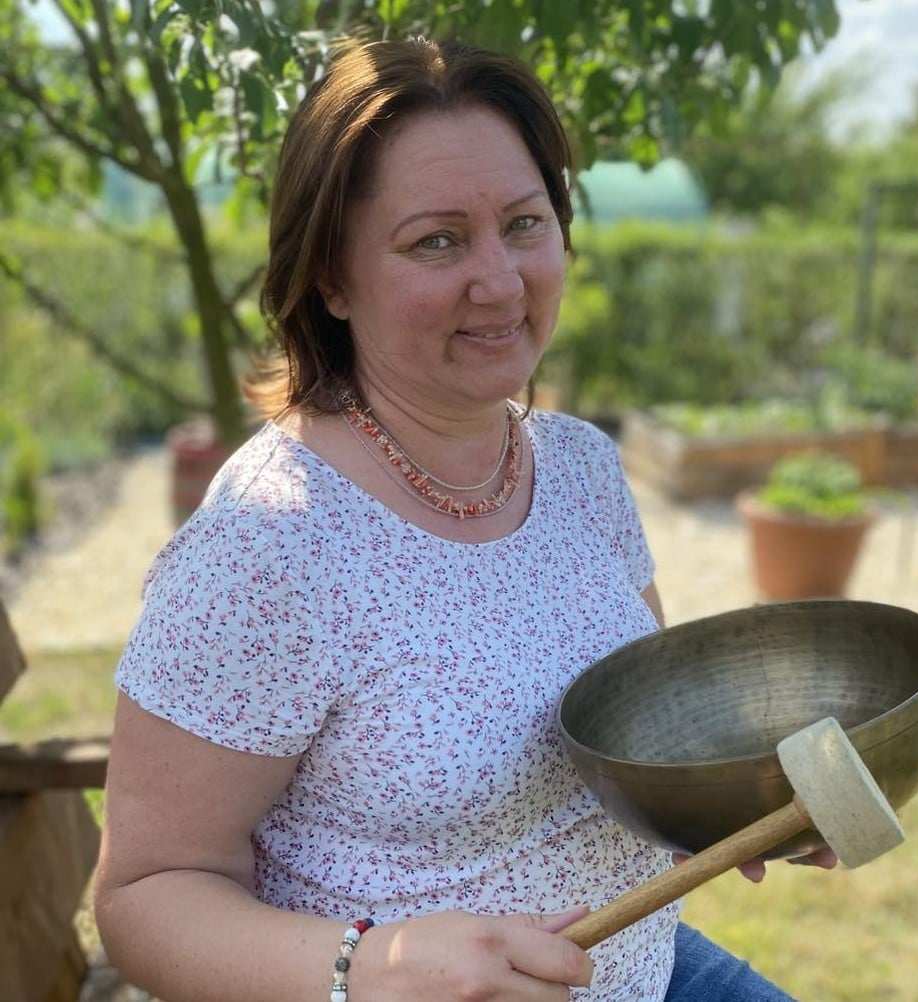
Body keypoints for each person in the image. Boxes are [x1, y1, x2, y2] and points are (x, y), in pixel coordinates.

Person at [94, 36, 835, 1002]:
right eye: (436, 241)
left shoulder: (581, 468)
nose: (500, 281)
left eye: (524, 224)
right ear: (331, 278)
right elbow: (144, 895)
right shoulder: (267, 541)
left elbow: (642, 741)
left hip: (651, 973)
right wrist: (371, 970)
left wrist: (738, 799)